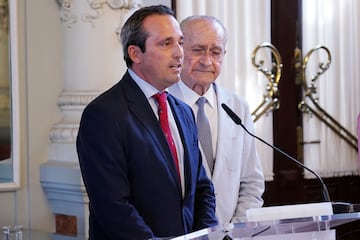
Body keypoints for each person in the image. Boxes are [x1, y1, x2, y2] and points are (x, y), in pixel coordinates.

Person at [76, 6, 218, 240]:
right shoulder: (103, 114)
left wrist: (205, 236)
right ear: (135, 53)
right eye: (166, 44)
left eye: (180, 43)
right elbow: (112, 206)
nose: (179, 53)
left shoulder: (183, 111)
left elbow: (203, 190)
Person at [169, 15, 265, 225]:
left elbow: (252, 183)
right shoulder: (162, 105)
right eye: (197, 50)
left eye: (215, 52)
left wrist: (236, 230)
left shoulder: (238, 106)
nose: (206, 61)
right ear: (179, 51)